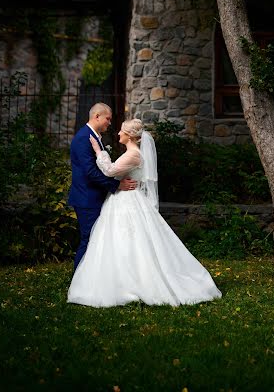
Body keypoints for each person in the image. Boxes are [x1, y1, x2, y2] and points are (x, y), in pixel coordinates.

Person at [67, 118, 222, 307]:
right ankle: (121, 280)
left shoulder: (133, 154)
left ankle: (133, 283)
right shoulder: (130, 153)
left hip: (128, 201)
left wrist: (99, 151)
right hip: (122, 199)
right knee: (119, 241)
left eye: (121, 131)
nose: (118, 134)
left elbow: (109, 171)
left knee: (130, 241)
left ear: (130, 136)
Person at [68, 103, 136, 271]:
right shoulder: (84, 137)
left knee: (97, 240)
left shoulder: (93, 135)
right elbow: (90, 172)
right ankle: (78, 281)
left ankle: (91, 279)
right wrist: (117, 185)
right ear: (97, 116)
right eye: (108, 118)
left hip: (94, 196)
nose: (110, 123)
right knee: (89, 239)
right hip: (87, 198)